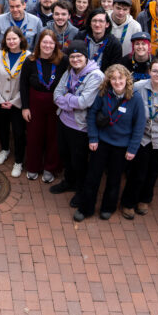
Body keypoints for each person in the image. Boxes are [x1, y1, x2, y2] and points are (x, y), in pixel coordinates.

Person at [74, 65, 145, 221]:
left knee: (114, 179)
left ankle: (108, 207)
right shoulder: (103, 94)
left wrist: (132, 149)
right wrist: (93, 138)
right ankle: (86, 208)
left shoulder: (135, 98)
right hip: (102, 142)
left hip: (121, 146)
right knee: (92, 177)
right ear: (109, 80)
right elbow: (91, 115)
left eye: (120, 78)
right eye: (113, 78)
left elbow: (139, 126)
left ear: (127, 78)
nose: (117, 82)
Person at [121, 59, 158, 217]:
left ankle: (145, 200)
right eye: (155, 71)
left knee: (153, 173)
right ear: (149, 72)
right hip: (141, 138)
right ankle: (128, 203)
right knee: (137, 173)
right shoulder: (138, 87)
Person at [50, 41, 103, 200]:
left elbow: (84, 102)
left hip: (81, 127)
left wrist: (66, 99)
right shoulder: (69, 71)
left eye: (79, 56)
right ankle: (69, 181)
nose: (75, 60)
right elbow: (56, 94)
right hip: (64, 120)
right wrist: (70, 101)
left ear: (86, 57)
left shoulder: (96, 76)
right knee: (65, 155)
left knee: (78, 161)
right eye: (72, 56)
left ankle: (81, 190)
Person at [21, 30, 64, 182]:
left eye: (51, 43)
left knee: (53, 137)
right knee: (34, 136)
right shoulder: (30, 61)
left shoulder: (62, 61)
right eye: (44, 42)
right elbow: (23, 85)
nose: (47, 45)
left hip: (55, 105)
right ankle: (33, 166)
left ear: (55, 45)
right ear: (39, 43)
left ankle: (50, 168)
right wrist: (25, 107)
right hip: (35, 104)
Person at [0, 26, 31, 178]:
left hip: (17, 102)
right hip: (0, 100)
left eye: (14, 38)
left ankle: (19, 161)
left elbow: (27, 84)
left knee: (19, 132)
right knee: (2, 127)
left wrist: (14, 101)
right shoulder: (0, 54)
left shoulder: (28, 56)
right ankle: (5, 149)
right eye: (9, 39)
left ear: (21, 39)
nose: (12, 41)